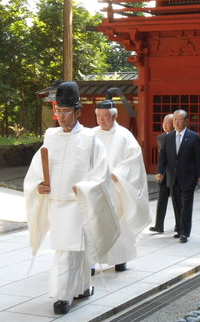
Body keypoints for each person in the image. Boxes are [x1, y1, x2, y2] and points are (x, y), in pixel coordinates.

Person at [24, 81, 120, 315]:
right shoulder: (51, 136)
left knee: (73, 250)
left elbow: (101, 171)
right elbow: (38, 168)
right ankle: (77, 289)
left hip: (78, 203)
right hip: (57, 204)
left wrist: (86, 187)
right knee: (68, 249)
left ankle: (64, 295)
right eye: (59, 110)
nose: (62, 116)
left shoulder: (90, 138)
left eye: (66, 111)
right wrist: (39, 185)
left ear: (78, 111)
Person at [93, 95, 151, 272]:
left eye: (105, 116)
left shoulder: (124, 136)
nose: (102, 120)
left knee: (120, 223)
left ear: (114, 116)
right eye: (99, 116)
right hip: (96, 188)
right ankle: (91, 261)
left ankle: (120, 258)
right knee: (95, 224)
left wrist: (119, 173)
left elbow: (134, 160)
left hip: (117, 188)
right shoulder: (91, 135)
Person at [156, 109, 200, 243]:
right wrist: (160, 171)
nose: (176, 122)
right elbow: (163, 157)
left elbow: (199, 157)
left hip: (188, 176)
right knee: (177, 204)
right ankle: (179, 228)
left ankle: (185, 232)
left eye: (179, 120)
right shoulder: (168, 137)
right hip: (173, 176)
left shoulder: (193, 137)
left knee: (186, 205)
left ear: (186, 121)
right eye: (175, 120)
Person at [150, 114, 180, 233]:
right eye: (163, 122)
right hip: (164, 174)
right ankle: (159, 225)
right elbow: (162, 158)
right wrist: (159, 172)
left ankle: (179, 225)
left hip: (174, 174)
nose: (164, 125)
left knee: (176, 200)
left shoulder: (177, 137)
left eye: (167, 123)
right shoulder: (160, 137)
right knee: (161, 199)